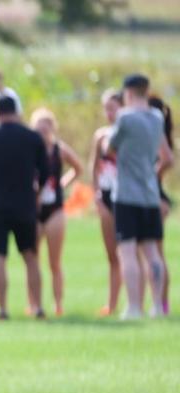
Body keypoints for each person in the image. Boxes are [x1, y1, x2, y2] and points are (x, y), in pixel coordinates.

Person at [0, 95, 48, 319]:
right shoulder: (32, 138)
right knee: (31, 256)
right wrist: (37, 196)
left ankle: (3, 309)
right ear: (16, 110)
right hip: (25, 205)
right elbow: (45, 173)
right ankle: (38, 306)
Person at [108, 74, 169, 318]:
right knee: (152, 251)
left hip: (126, 194)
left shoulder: (125, 118)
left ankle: (134, 306)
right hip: (150, 193)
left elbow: (111, 147)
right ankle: (157, 305)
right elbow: (165, 157)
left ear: (128, 93)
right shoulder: (157, 117)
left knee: (127, 251)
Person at [30, 108, 85, 317]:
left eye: (46, 127)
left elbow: (78, 167)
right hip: (34, 211)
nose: (43, 131)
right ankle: (34, 302)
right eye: (39, 127)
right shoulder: (30, 150)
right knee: (32, 259)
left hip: (54, 209)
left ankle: (58, 303)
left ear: (53, 128)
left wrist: (63, 183)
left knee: (54, 261)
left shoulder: (59, 150)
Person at [91, 89, 124, 316]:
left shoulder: (130, 134)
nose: (108, 113)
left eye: (112, 107)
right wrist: (97, 197)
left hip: (127, 197)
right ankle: (111, 304)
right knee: (112, 255)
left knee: (132, 252)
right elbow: (94, 168)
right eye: (106, 108)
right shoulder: (101, 135)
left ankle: (136, 301)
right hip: (106, 197)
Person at [148, 94, 174, 313]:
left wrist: (151, 176)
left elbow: (168, 160)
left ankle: (162, 303)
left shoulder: (155, 135)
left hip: (155, 198)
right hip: (158, 197)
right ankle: (161, 303)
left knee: (155, 253)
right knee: (156, 252)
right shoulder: (159, 132)